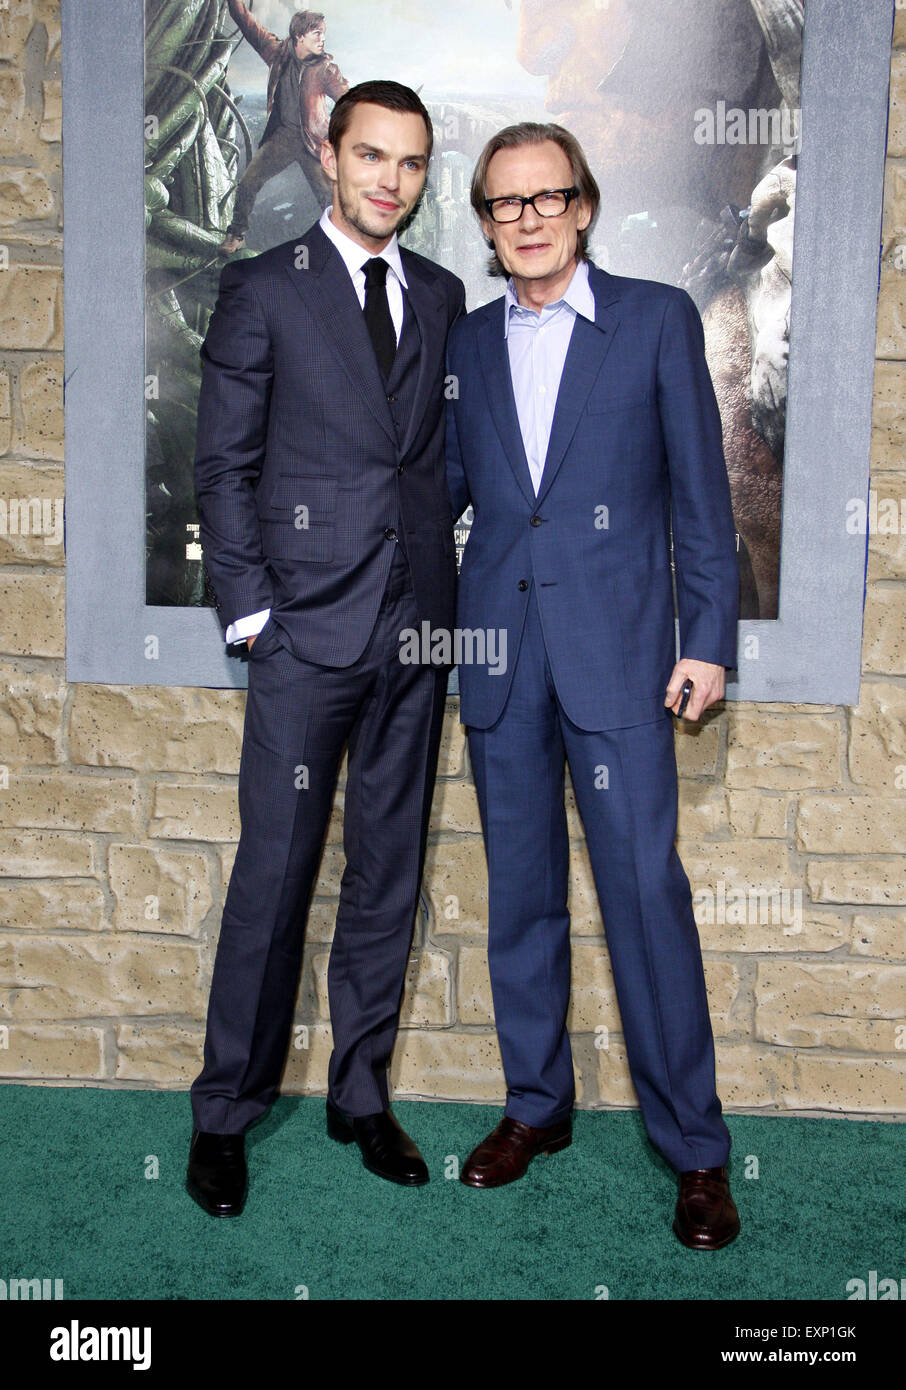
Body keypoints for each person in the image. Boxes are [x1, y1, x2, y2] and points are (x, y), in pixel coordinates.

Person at [445, 121, 741, 1249]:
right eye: (503, 202)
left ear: (582, 206)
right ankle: (537, 1106)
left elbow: (702, 502)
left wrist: (705, 636)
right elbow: (461, 502)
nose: (526, 217)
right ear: (485, 222)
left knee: (644, 900)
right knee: (520, 899)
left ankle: (698, 1152)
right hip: (500, 664)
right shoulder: (466, 346)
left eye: (546, 196)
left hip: (622, 664)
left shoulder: (657, 320)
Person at [188, 80, 466, 1217]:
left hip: (416, 632)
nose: (389, 180)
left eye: (409, 162)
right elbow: (223, 467)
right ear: (330, 154)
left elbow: (438, 455)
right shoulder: (265, 287)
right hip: (304, 637)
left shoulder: (445, 294)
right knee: (275, 875)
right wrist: (254, 617)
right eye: (372, 157)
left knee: (386, 874)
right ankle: (224, 1113)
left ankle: (361, 1093)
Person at [220, 4, 349, 253]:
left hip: (313, 144)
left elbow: (349, 99)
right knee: (248, 182)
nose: (323, 39)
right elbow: (248, 23)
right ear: (300, 37)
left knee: (330, 201)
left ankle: (343, 249)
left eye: (323, 33)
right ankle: (236, 235)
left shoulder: (325, 69)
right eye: (317, 34)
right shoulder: (277, 53)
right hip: (282, 138)